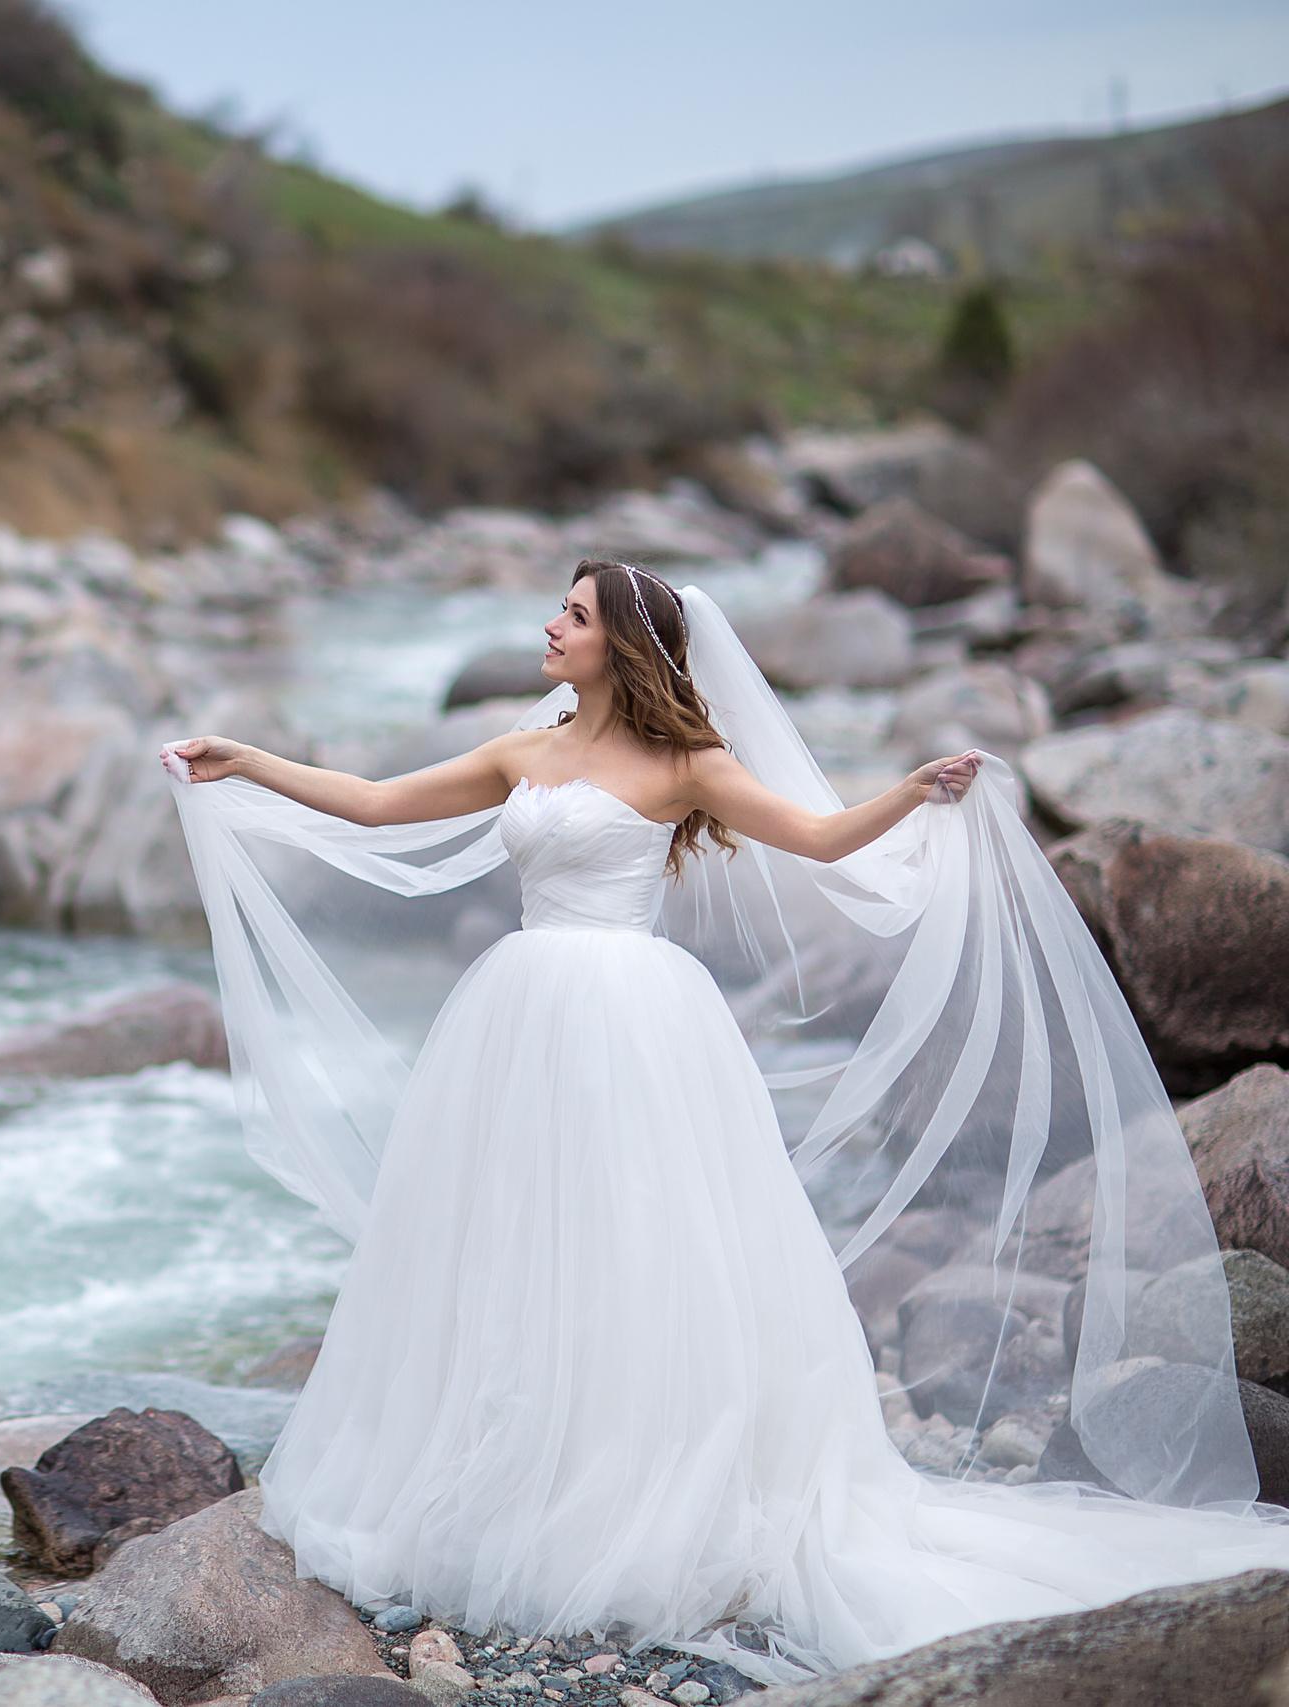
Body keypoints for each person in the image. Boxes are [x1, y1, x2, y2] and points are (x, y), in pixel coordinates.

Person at [159, 560, 1289, 1680]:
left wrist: (910, 793)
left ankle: (627, 1489)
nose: (550, 627)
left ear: (621, 645)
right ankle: (502, 1465)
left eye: (573, 615)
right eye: (558, 609)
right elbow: (374, 802)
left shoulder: (686, 765)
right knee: (507, 1242)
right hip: (514, 1021)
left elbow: (818, 838)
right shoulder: (525, 749)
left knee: (636, 1244)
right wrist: (246, 763)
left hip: (630, 1026)